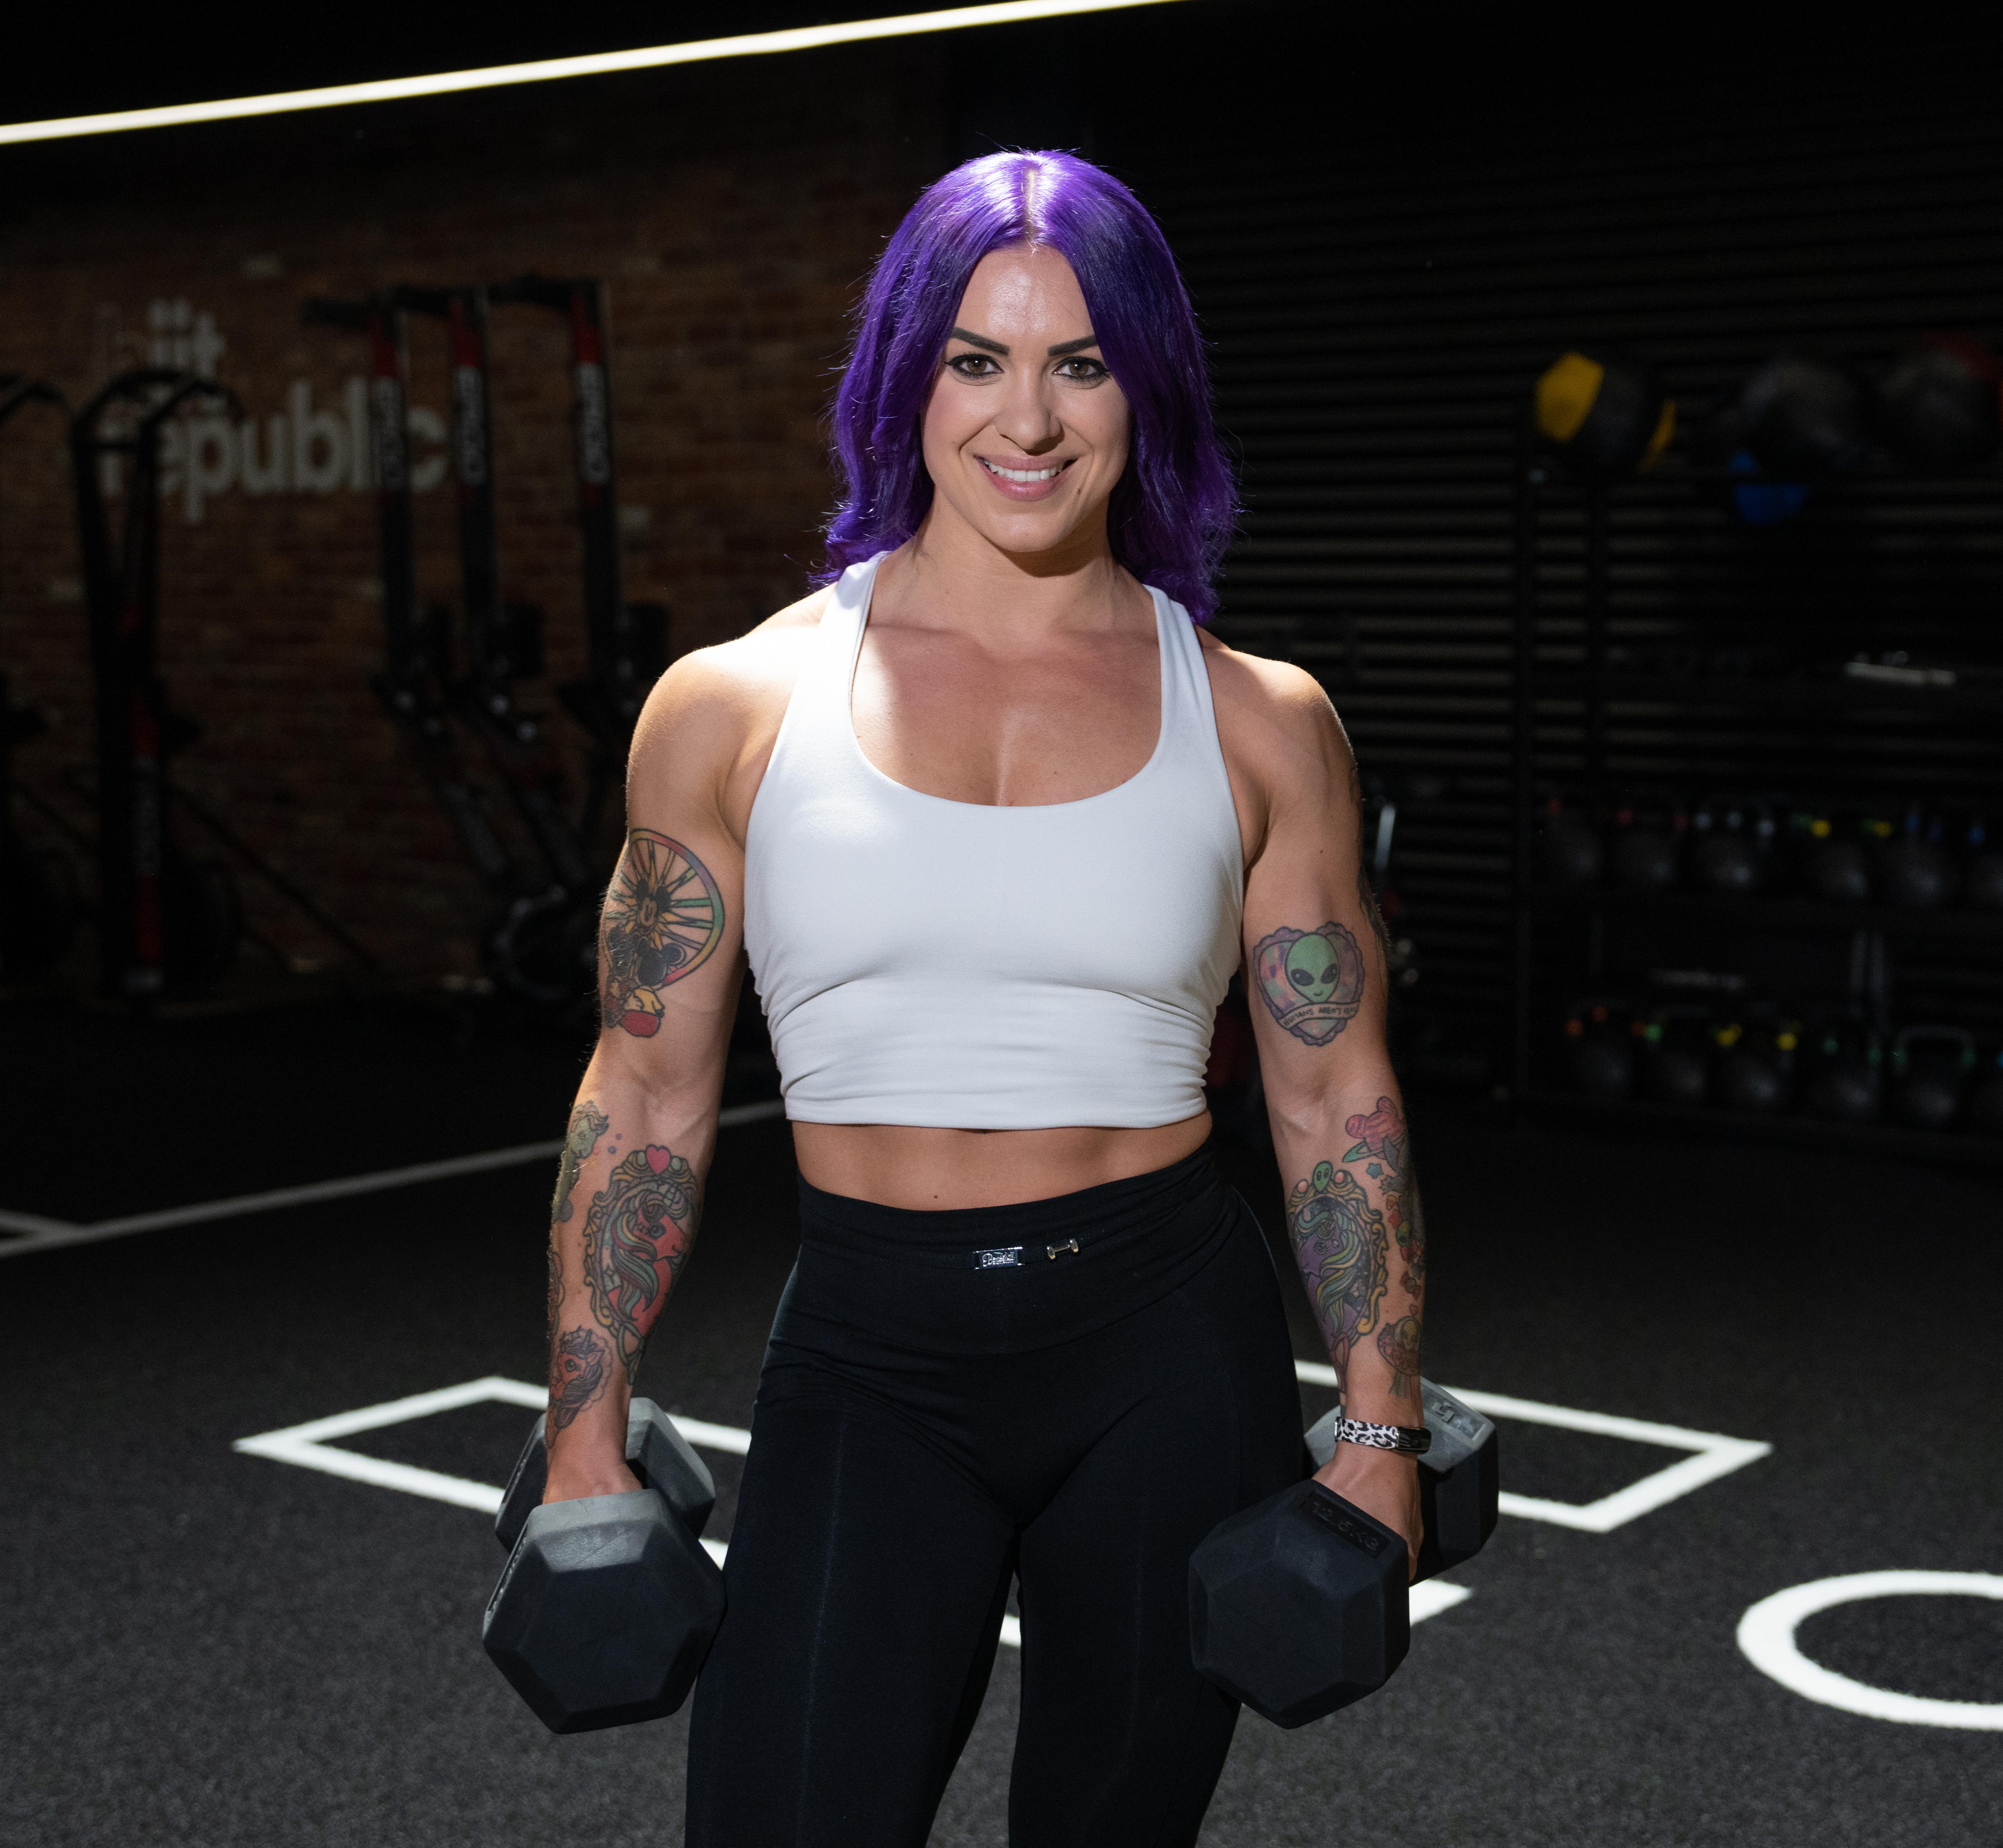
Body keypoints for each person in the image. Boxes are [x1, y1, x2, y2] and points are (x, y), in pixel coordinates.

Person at [537, 149, 1428, 1847]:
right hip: (874, 1349)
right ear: (905, 378)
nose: (1029, 416)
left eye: (1082, 362)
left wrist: (1378, 1425)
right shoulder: (731, 708)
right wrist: (583, 1427)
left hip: (1167, 1345)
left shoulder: (1260, 720)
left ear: (1144, 383)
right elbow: (640, 1095)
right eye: (978, 357)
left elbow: (1337, 1098)